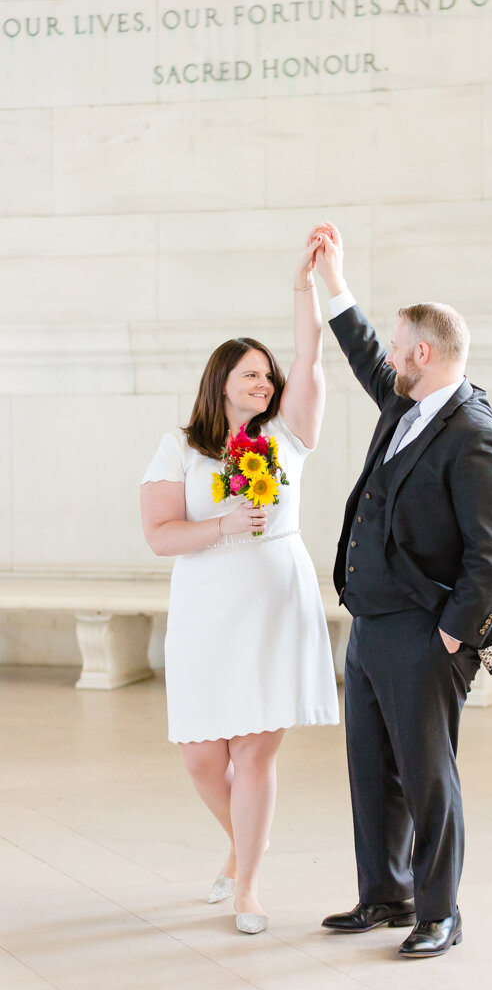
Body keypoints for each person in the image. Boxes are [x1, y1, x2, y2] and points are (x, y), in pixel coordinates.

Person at [313, 222, 492, 958]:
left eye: (400, 347)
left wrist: (452, 632)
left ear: (424, 355)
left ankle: (440, 911)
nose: (391, 357)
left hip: (424, 631)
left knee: (427, 776)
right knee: (371, 768)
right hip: (371, 623)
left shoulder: (473, 433)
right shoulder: (407, 401)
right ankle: (384, 896)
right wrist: (333, 284)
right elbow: (365, 355)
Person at [139, 232, 339, 935]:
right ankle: (240, 845)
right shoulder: (180, 447)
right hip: (205, 608)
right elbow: (160, 534)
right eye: (249, 375)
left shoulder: (288, 435)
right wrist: (222, 524)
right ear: (220, 380)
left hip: (273, 602)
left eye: (267, 375)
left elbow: (312, 355)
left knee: (254, 750)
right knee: (201, 759)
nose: (263, 383)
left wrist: (304, 285)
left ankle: (248, 883)